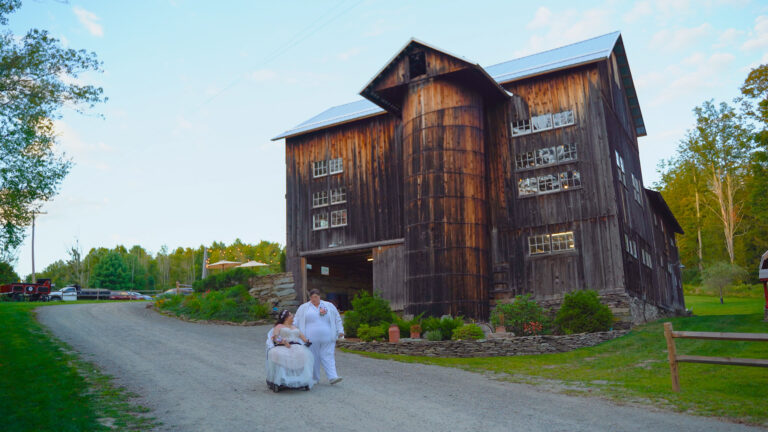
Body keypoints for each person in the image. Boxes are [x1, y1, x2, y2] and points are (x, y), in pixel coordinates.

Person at [294, 289, 344, 385]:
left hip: (327, 337)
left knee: (328, 355)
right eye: (312, 297)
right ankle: (315, 378)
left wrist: (340, 330)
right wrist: (289, 326)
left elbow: (337, 318)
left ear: (319, 296)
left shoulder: (328, 306)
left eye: (315, 297)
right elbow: (297, 319)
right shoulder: (304, 307)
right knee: (313, 357)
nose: (314, 299)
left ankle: (333, 377)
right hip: (310, 338)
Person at [265, 309, 314, 392]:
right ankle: (281, 379)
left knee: (304, 353)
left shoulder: (295, 327)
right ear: (286, 317)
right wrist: (283, 341)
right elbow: (275, 337)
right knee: (280, 354)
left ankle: (301, 379)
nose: (293, 317)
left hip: (295, 346)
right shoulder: (279, 326)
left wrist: (307, 341)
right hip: (282, 346)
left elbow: (303, 337)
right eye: (291, 315)